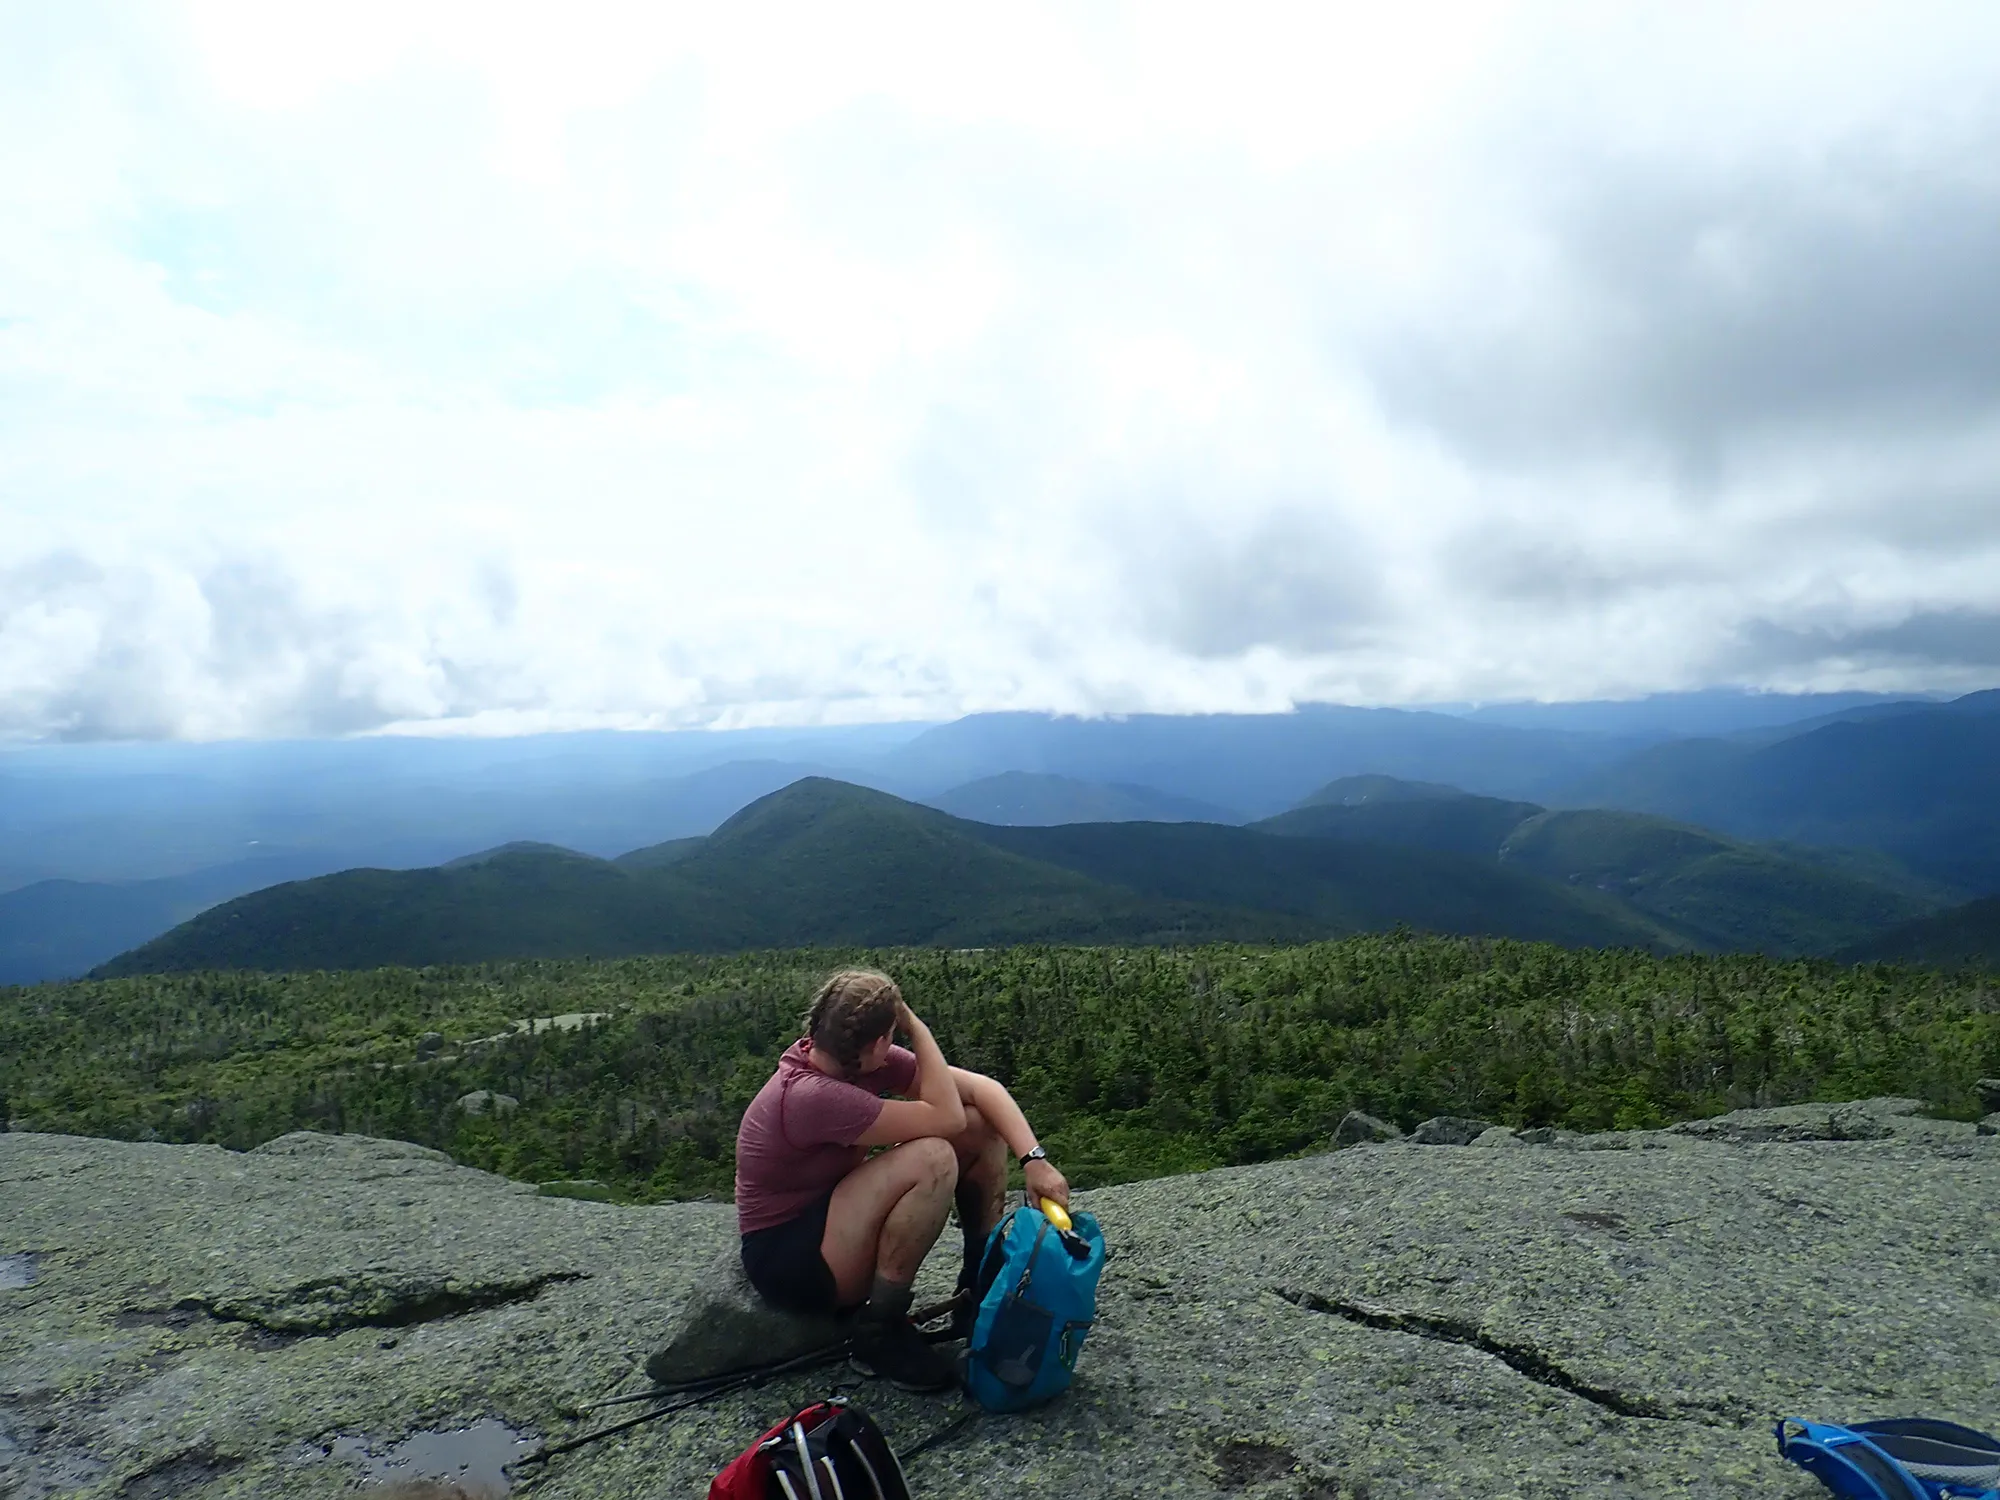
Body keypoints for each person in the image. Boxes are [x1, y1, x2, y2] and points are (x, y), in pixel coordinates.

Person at [734, 968, 1071, 1391]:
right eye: (894, 1034)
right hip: (790, 1258)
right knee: (932, 1158)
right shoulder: (812, 1095)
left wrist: (1034, 1159)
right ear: (878, 1041)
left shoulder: (855, 1060)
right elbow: (943, 1118)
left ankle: (979, 1285)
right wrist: (917, 1025)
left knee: (979, 1126)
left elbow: (985, 1090)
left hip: (831, 1217)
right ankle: (879, 1331)